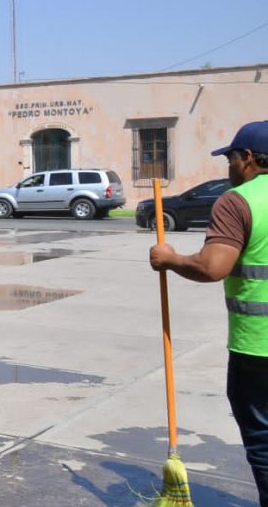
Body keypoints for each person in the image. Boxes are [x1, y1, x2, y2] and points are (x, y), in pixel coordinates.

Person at [150, 120, 268, 505]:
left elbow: (212, 266)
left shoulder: (239, 201)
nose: (228, 167)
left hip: (259, 349)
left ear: (247, 158)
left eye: (231, 158)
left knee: (264, 441)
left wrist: (170, 259)